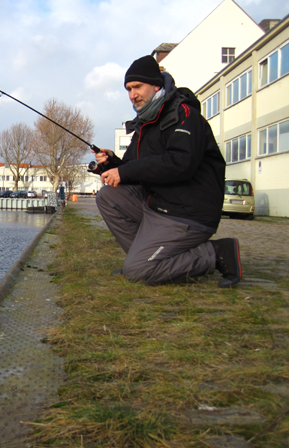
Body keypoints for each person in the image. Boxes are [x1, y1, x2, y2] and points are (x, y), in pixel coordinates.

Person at [94, 55, 241, 288]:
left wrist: (126, 171)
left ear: (156, 85)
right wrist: (110, 164)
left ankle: (216, 253)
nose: (133, 95)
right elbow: (131, 169)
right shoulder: (145, 122)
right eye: (129, 89)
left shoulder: (184, 115)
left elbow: (180, 164)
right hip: (159, 205)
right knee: (107, 196)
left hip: (188, 212)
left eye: (137, 87)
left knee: (138, 271)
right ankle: (143, 260)